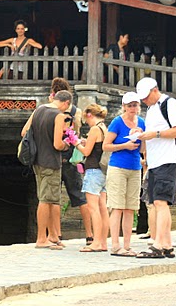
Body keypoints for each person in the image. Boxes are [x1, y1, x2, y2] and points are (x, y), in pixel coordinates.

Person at [135, 77, 176, 259]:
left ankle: (157, 244)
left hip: (167, 158)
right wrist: (141, 135)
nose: (144, 101)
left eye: (146, 97)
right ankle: (167, 243)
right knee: (158, 202)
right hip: (155, 161)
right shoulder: (152, 108)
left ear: (155, 91)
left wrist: (155, 134)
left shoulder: (169, 104)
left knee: (161, 202)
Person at [21, 90, 72, 249]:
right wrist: (67, 144)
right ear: (66, 103)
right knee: (45, 200)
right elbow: (57, 144)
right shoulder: (58, 116)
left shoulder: (39, 110)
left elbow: (24, 132)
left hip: (37, 160)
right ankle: (41, 238)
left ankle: (52, 235)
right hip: (50, 161)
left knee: (50, 199)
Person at [50, 78, 93, 246]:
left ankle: (57, 235)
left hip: (54, 154)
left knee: (54, 198)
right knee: (80, 196)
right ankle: (90, 235)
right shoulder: (77, 111)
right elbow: (78, 131)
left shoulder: (51, 110)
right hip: (71, 156)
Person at [103, 91, 144, 256]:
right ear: (124, 107)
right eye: (130, 106)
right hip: (118, 166)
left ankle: (127, 245)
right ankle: (114, 244)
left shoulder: (141, 122)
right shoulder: (117, 123)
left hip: (135, 166)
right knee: (117, 206)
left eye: (135, 105)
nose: (133, 108)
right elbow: (106, 145)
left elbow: (143, 147)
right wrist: (124, 145)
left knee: (130, 207)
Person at [72, 104, 110, 252]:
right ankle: (103, 243)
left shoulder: (94, 129)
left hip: (93, 171)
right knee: (103, 208)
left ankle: (95, 242)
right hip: (103, 172)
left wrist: (76, 144)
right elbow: (98, 147)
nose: (86, 123)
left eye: (85, 119)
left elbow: (87, 152)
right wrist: (86, 142)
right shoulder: (103, 128)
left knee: (93, 208)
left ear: (89, 115)